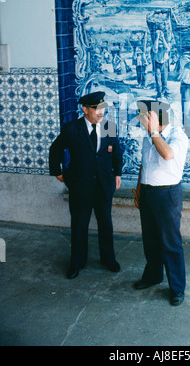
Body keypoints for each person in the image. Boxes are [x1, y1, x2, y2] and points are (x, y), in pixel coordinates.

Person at [49, 91, 123, 279]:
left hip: (103, 185)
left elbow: (116, 152)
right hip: (80, 186)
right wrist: (57, 172)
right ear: (85, 109)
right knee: (79, 224)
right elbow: (55, 149)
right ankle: (77, 262)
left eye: (102, 108)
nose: (101, 112)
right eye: (97, 109)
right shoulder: (72, 128)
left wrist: (118, 172)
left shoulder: (108, 127)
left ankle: (108, 259)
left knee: (106, 224)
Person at [133, 99, 188, 306]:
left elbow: (167, 155)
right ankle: (153, 276)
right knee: (150, 240)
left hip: (167, 196)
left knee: (170, 243)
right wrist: (139, 192)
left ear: (152, 117)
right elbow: (143, 165)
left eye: (142, 115)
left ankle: (177, 288)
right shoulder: (149, 136)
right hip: (148, 194)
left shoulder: (178, 136)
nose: (138, 119)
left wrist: (155, 132)